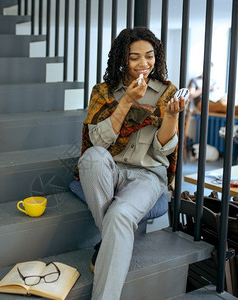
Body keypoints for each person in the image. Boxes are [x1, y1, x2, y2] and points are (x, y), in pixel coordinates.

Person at [74, 27, 188, 300]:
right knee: (92, 157)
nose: (143, 64)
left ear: (156, 57)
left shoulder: (166, 92)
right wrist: (126, 101)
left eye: (149, 56)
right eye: (135, 57)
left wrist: (171, 118)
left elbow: (164, 150)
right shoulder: (103, 92)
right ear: (123, 59)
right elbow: (97, 141)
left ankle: (107, 249)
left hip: (147, 173)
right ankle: (115, 238)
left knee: (120, 215)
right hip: (109, 168)